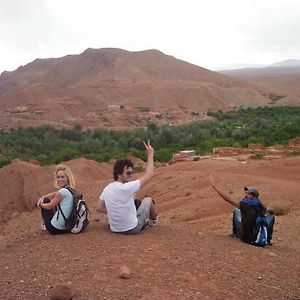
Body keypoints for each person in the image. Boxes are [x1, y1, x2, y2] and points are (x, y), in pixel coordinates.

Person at [98, 140, 158, 234]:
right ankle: (153, 221)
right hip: (132, 228)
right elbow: (149, 174)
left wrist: (115, 212)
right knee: (148, 200)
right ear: (119, 174)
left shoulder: (107, 188)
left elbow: (99, 208)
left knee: (135, 202)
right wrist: (150, 155)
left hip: (115, 229)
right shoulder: (126, 187)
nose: (131, 175)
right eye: (128, 173)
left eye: (131, 172)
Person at [36, 164, 75, 235]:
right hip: (68, 226)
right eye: (58, 177)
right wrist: (42, 197)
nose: (60, 179)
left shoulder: (62, 192)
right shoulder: (71, 190)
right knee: (45, 199)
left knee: (46, 201)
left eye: (62, 177)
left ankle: (45, 224)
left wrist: (41, 204)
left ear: (68, 178)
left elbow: (49, 206)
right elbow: (55, 193)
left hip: (56, 229)